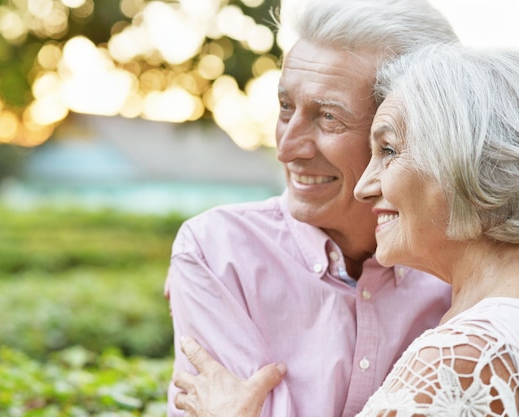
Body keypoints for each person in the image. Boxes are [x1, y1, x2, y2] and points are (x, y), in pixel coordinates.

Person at [173, 43, 519, 416]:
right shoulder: (216, 250)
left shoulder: (458, 357)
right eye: (285, 107)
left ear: (461, 158)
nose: (364, 187)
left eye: (387, 150)